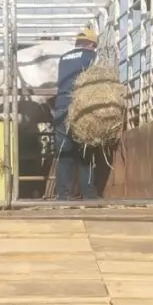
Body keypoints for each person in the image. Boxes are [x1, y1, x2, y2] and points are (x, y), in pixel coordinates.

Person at [52, 26, 99, 201]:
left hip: (61, 108)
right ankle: (88, 194)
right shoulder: (92, 57)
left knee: (64, 154)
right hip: (81, 109)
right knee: (85, 152)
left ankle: (62, 196)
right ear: (91, 44)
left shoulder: (63, 58)